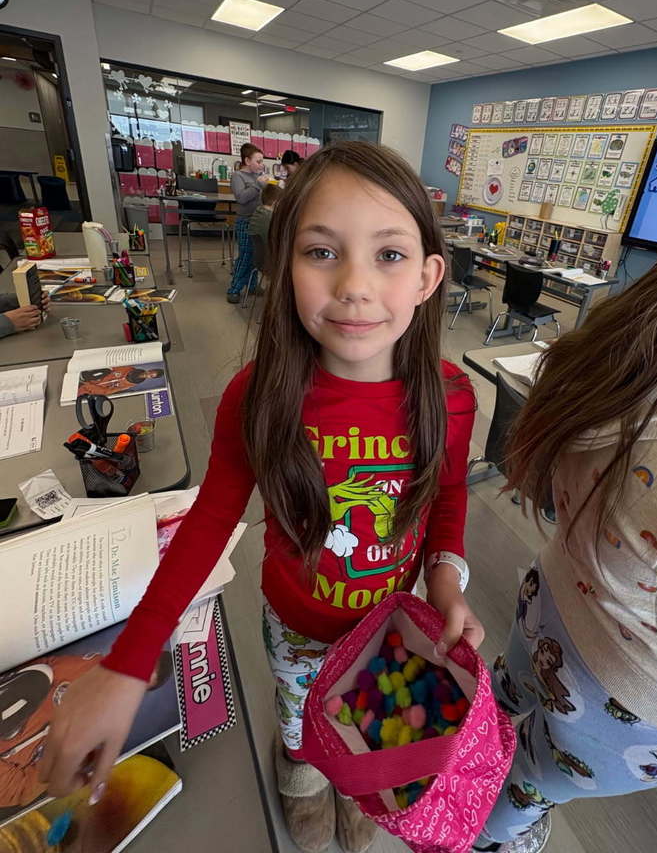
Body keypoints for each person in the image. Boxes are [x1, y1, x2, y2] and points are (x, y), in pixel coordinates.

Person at [40, 142, 483, 853]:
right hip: (296, 626)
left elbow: (449, 496)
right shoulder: (260, 396)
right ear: (283, 266)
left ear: (430, 275)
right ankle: (301, 768)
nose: (356, 286)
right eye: (321, 252)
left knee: (363, 725)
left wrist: (445, 578)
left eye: (390, 255)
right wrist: (129, 660)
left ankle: (350, 778)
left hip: (388, 631)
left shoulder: (452, 395)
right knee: (297, 718)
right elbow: (209, 521)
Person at [475, 205, 657, 853]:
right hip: (623, 703)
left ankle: (470, 741)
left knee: (509, 690)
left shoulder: (620, 361)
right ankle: (490, 836)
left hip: (546, 606)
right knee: (531, 780)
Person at [226, 143, 267, 303]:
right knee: (245, 255)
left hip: (258, 220)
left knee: (256, 254)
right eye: (258, 161)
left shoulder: (258, 176)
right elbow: (241, 198)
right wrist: (258, 185)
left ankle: (252, 285)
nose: (261, 164)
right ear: (247, 160)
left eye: (262, 161)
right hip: (245, 221)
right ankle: (234, 289)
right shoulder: (238, 176)